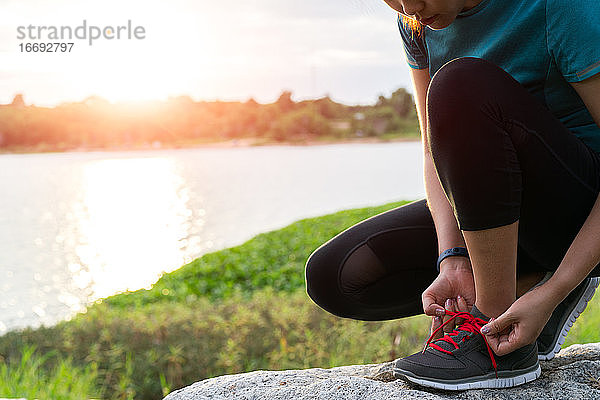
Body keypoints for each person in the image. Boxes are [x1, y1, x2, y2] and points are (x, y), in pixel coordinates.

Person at [304, 0, 600, 390]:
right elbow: (433, 150)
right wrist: (454, 258)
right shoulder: (415, 21)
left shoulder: (562, 7)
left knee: (459, 84)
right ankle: (520, 280)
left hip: (577, 214)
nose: (410, 6)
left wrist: (556, 287)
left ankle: (496, 338)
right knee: (337, 276)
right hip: (500, 213)